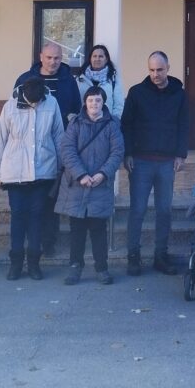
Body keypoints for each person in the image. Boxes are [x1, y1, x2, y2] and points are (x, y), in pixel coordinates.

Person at [121, 50, 188, 276]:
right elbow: (126, 125)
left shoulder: (179, 94)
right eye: (151, 70)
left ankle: (161, 256)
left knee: (164, 211)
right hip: (140, 161)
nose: (155, 74)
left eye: (159, 70)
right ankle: (133, 257)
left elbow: (183, 124)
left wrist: (181, 154)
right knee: (137, 210)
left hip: (167, 162)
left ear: (168, 68)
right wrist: (128, 153)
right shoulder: (137, 93)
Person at [0, 75, 64, 281]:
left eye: (38, 101)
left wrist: (62, 168)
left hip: (44, 172)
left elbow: (59, 135)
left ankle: (34, 264)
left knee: (36, 218)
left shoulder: (52, 103)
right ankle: (15, 264)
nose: (35, 104)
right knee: (18, 218)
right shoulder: (10, 106)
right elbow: (0, 140)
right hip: (15, 174)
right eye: (32, 101)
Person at [13, 41, 81, 255]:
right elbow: (13, 112)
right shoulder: (25, 80)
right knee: (27, 203)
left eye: (57, 58)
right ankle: (24, 244)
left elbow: (76, 110)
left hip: (57, 149)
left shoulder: (69, 81)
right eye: (49, 57)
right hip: (27, 150)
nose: (53, 62)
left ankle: (48, 243)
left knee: (50, 199)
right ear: (41, 56)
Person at [57, 85, 125, 286]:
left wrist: (103, 174)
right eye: (90, 100)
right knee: (76, 229)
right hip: (77, 185)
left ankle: (102, 268)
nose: (94, 104)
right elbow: (67, 150)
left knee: (98, 229)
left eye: (97, 100)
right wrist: (82, 175)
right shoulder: (75, 123)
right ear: (84, 103)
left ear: (103, 102)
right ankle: (75, 267)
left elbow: (117, 152)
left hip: (100, 185)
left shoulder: (112, 125)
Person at [76, 44, 125, 119]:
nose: (97, 59)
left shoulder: (113, 79)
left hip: (107, 124)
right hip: (83, 124)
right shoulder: (80, 79)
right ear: (90, 59)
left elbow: (119, 104)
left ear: (106, 59)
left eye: (101, 56)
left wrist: (114, 121)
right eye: (94, 56)